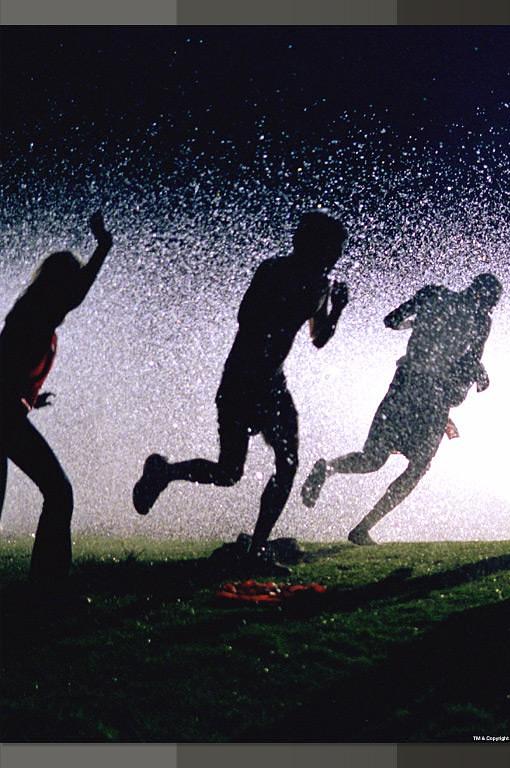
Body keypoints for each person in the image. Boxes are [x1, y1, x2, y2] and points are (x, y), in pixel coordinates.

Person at [132, 212, 349, 574]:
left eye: (339, 251)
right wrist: (289, 304)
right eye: (332, 249)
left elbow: (318, 339)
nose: (336, 257)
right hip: (241, 380)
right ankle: (163, 472)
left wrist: (337, 310)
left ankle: (257, 550)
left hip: (274, 384)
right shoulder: (275, 271)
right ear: (310, 244)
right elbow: (245, 317)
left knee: (288, 464)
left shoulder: (321, 285)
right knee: (229, 472)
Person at [301, 273, 502, 545]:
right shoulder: (481, 320)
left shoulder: (433, 294)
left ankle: (327, 468)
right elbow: (471, 361)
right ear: (484, 298)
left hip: (404, 383)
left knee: (372, 458)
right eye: (491, 303)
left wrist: (415, 324)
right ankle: (363, 528)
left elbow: (391, 320)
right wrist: (478, 376)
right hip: (434, 394)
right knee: (418, 467)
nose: (489, 309)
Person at [0, 211, 113, 585]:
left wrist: (31, 398)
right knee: (59, 492)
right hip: (4, 419)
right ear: (58, 285)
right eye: (70, 281)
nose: (73, 293)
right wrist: (103, 246)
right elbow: (77, 294)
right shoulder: (38, 313)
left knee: (55, 492)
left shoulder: (32, 314)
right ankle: (48, 586)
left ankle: (44, 586)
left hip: (8, 415)